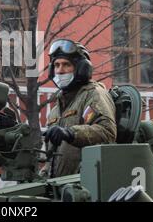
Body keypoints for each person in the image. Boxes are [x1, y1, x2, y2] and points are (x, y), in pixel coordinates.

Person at [42, 39, 117, 177]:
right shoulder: (55, 110)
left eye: (66, 65)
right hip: (59, 188)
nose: (60, 70)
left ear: (81, 68)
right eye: (56, 65)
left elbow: (106, 132)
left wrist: (70, 133)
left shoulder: (93, 94)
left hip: (84, 185)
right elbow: (51, 157)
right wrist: (43, 175)